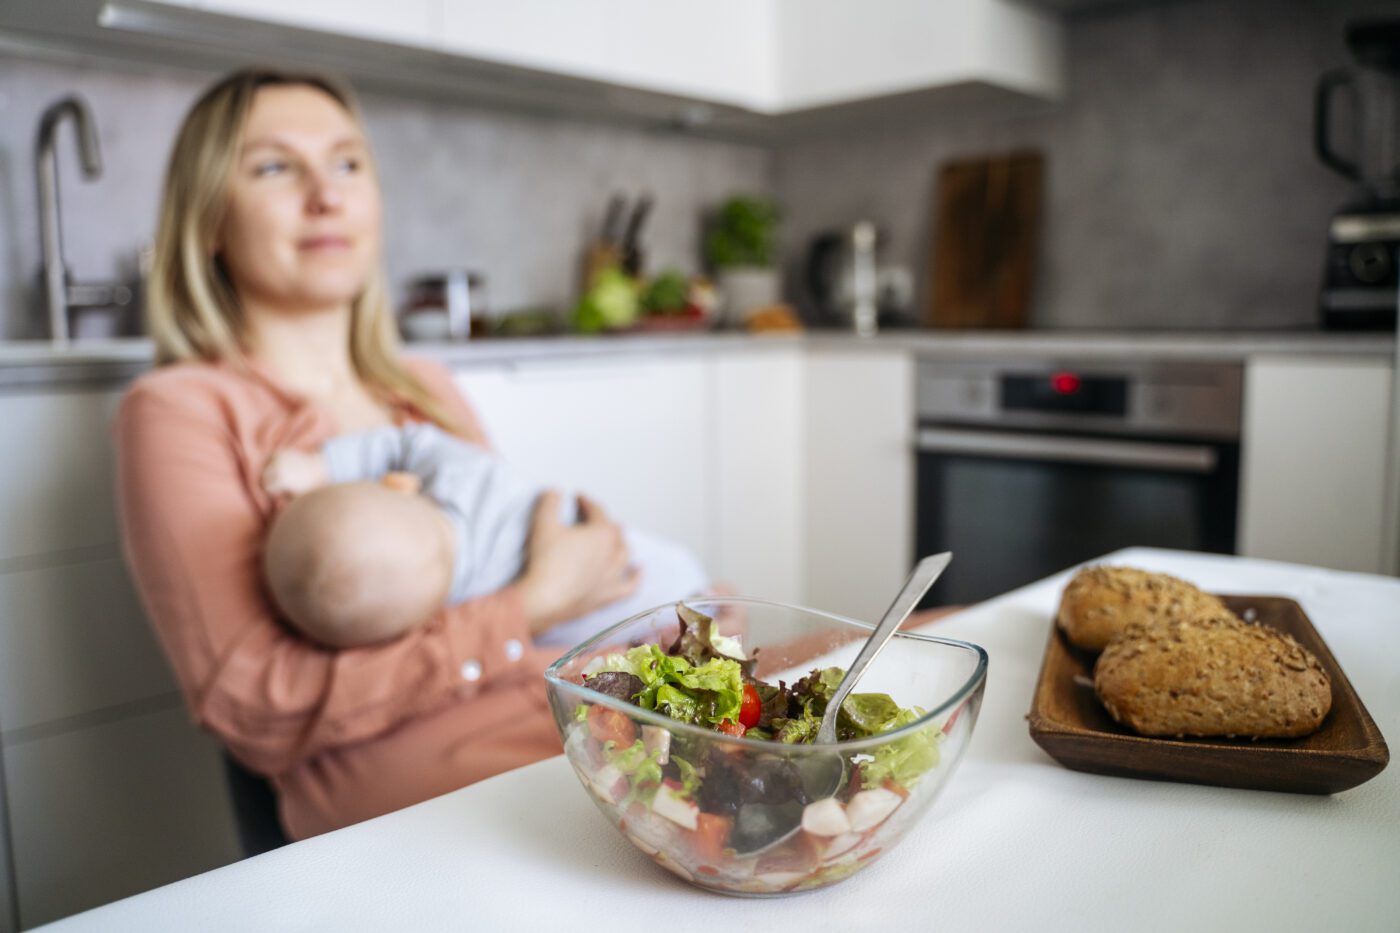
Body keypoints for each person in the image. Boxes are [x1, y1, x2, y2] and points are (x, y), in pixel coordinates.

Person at [115, 68, 642, 840]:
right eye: (273, 166)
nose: (326, 195)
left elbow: (500, 553)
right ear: (208, 222)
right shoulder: (179, 410)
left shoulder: (422, 386)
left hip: (576, 717)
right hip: (430, 798)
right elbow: (256, 704)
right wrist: (527, 607)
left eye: (347, 163)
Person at [259, 421, 708, 650]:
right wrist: (323, 465)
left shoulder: (463, 609)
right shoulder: (463, 480)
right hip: (663, 580)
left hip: (644, 611)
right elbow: (407, 443)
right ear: (397, 483)